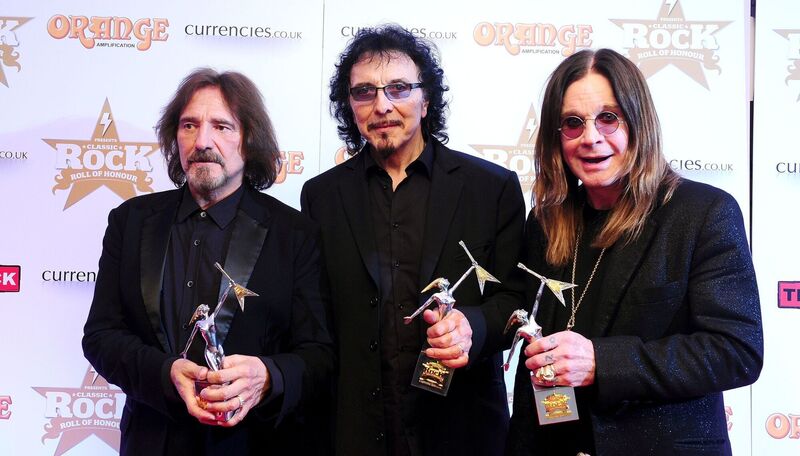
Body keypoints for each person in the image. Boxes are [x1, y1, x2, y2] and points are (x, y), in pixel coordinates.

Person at [506, 48, 763, 456]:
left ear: (638, 122)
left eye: (609, 118)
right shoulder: (545, 221)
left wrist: (601, 363)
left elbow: (737, 351)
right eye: (573, 123)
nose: (591, 137)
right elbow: (514, 310)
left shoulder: (704, 212)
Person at [82, 68, 335, 455]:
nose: (203, 141)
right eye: (189, 125)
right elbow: (101, 336)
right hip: (152, 441)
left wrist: (267, 377)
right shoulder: (130, 221)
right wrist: (165, 375)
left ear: (250, 141)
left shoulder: (295, 233)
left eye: (222, 126)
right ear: (174, 137)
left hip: (255, 444)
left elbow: (319, 355)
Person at [301, 24, 526, 456]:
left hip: (463, 431)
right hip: (355, 432)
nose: (382, 105)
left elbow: (516, 296)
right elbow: (314, 318)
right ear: (350, 107)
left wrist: (472, 328)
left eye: (399, 88)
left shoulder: (490, 188)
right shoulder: (320, 196)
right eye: (364, 92)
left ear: (426, 100)